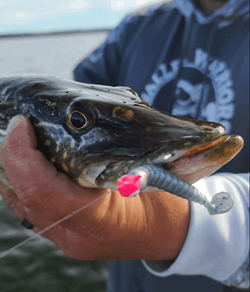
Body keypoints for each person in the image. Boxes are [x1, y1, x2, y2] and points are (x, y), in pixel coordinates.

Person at [0, 0, 249, 291]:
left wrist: (161, 224)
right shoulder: (140, 26)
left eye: (78, 120)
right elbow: (82, 92)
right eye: (78, 121)